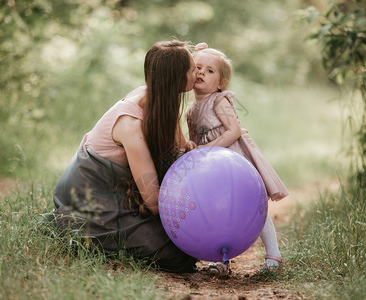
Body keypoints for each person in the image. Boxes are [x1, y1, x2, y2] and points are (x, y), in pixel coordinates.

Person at [43, 40, 199, 273]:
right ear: (176, 78)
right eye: (193, 68)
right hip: (92, 197)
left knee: (186, 238)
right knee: (179, 253)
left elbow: (182, 149)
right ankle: (69, 226)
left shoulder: (160, 99)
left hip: (116, 194)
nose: (197, 72)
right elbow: (154, 203)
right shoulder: (130, 124)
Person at [185, 43, 289, 275]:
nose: (202, 72)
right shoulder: (191, 111)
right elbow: (196, 142)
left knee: (252, 206)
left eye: (210, 71)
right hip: (212, 168)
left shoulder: (219, 101)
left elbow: (233, 131)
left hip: (233, 161)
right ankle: (222, 260)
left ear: (221, 83)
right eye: (198, 67)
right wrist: (193, 148)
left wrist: (205, 150)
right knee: (219, 211)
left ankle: (274, 255)